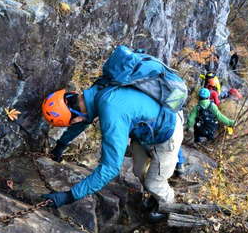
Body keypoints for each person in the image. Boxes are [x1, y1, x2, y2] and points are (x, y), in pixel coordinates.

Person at [41, 86, 184, 222]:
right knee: (139, 171)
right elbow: (83, 120)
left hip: (168, 130)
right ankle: (155, 196)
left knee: (154, 182)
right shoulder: (94, 93)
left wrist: (69, 196)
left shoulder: (111, 115)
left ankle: (167, 207)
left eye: (71, 122)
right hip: (145, 127)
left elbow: (110, 168)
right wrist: (61, 145)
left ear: (76, 118)